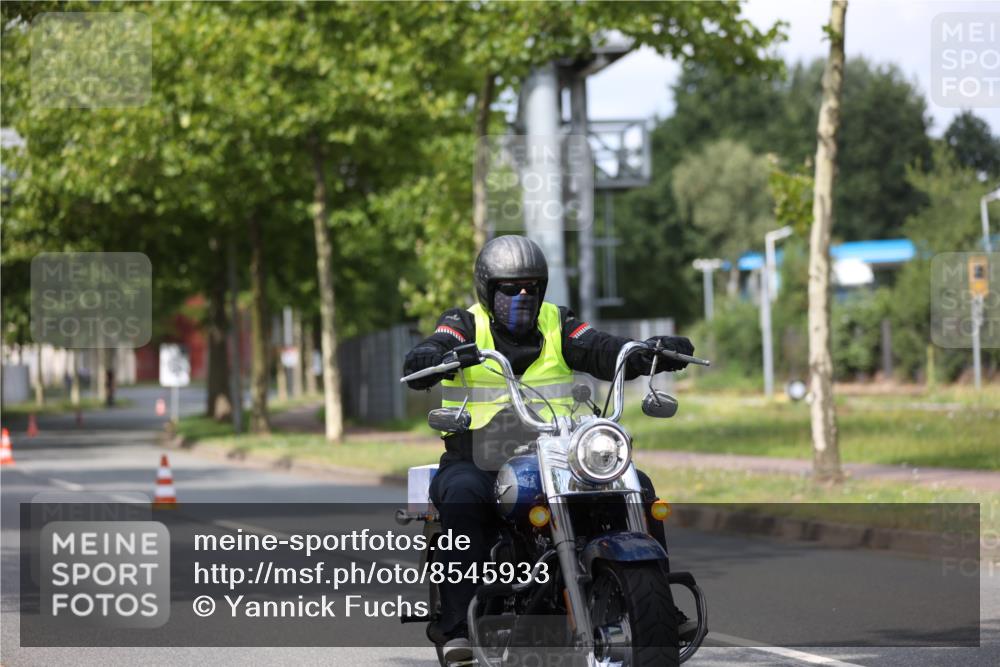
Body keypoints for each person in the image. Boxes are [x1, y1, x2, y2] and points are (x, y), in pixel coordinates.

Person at [402, 235, 694, 662]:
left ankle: (657, 606)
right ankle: (458, 630)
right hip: (480, 457)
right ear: (487, 289)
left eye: (531, 287)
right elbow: (435, 347)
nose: (522, 295)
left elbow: (598, 346)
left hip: (557, 454)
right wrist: (429, 355)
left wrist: (646, 353)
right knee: (461, 495)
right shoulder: (464, 324)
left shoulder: (559, 322)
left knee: (639, 487)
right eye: (509, 288)